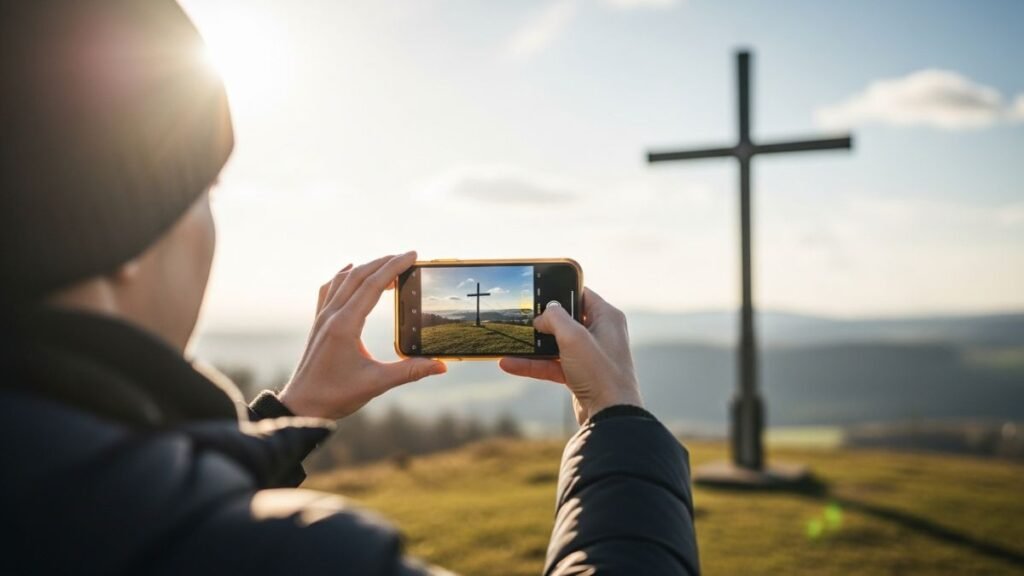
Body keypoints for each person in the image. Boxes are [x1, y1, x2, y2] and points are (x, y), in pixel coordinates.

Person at [0, 1, 699, 574]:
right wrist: (617, 423)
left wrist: (290, 416)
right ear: (124, 234)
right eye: (203, 191)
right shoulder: (293, 555)